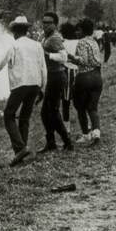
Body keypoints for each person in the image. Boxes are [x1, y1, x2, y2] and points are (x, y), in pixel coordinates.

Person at [0, 16, 47, 167]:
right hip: (35, 84)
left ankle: (20, 148)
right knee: (25, 117)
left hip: (20, 84)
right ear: (26, 30)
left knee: (9, 116)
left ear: (14, 32)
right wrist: (42, 87)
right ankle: (22, 150)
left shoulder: (14, 46)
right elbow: (43, 68)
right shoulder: (37, 45)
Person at [37, 12, 74, 154]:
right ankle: (51, 142)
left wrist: (47, 55)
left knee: (52, 111)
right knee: (45, 113)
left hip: (57, 76)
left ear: (55, 24)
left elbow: (63, 57)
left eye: (49, 23)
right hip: (50, 76)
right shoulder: (45, 38)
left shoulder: (54, 38)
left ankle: (67, 142)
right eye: (44, 22)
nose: (45, 25)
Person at [71, 19, 103, 146]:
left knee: (80, 108)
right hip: (97, 76)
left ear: (83, 31)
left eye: (78, 30)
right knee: (92, 107)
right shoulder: (94, 42)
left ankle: (86, 134)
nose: (76, 32)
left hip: (84, 77)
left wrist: (70, 57)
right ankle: (96, 132)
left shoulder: (82, 42)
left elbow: (83, 61)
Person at [60, 22, 79, 134]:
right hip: (79, 70)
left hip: (67, 71)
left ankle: (67, 127)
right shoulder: (79, 42)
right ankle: (88, 125)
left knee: (66, 101)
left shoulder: (63, 44)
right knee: (81, 101)